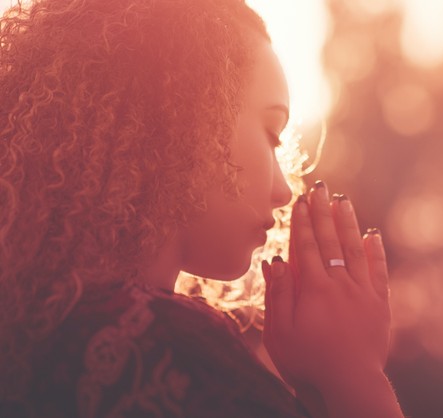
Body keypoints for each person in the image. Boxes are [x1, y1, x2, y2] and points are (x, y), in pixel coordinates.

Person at [0, 0, 405, 417]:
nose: (284, 192)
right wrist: (356, 376)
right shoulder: (166, 347)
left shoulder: (35, 328)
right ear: (186, 116)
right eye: (271, 132)